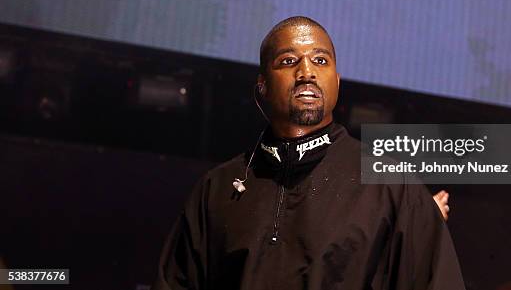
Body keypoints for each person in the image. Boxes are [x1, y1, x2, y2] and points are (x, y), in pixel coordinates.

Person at [152, 16, 465, 290]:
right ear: (262, 85)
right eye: (289, 61)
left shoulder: (392, 185)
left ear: (337, 82)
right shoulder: (217, 188)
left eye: (320, 60)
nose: (306, 72)